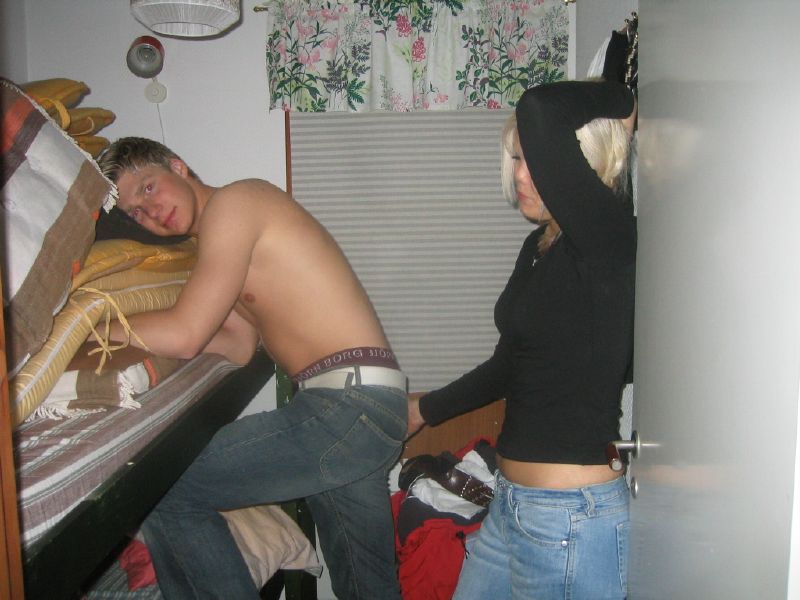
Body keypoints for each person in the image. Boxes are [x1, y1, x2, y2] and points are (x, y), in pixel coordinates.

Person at [97, 138, 407, 600]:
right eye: (135, 212)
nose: (149, 211)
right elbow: (238, 346)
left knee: (161, 490)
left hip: (347, 405)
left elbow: (186, 332)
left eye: (147, 188)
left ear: (178, 167)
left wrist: (92, 328)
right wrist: (146, 346)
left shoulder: (236, 202)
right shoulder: (217, 240)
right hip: (361, 405)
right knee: (368, 589)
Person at [407, 79, 637, 599]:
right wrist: (425, 409)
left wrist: (623, 101)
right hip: (511, 504)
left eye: (533, 159)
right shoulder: (539, 246)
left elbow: (539, 108)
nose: (519, 174)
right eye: (515, 158)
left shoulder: (607, 238)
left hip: (571, 519)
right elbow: (510, 364)